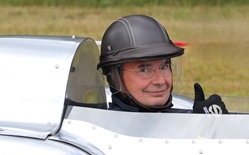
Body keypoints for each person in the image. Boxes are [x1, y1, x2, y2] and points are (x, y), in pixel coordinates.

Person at [97, 14, 228, 114]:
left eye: (164, 67)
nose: (160, 81)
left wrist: (208, 127)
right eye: (144, 70)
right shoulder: (101, 135)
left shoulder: (181, 123)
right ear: (114, 77)